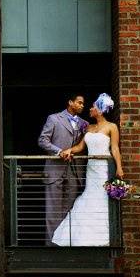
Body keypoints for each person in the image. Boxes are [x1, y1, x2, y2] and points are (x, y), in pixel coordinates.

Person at [51, 93, 124, 246]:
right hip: (92, 169)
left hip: (104, 168)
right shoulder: (89, 127)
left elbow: (115, 148)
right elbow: (80, 147)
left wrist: (119, 168)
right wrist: (69, 150)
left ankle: (104, 237)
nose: (90, 109)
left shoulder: (112, 127)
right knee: (90, 195)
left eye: (93, 107)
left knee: (103, 199)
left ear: (101, 110)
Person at [38, 93, 89, 245]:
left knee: (69, 212)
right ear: (70, 102)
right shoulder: (53, 118)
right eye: (79, 102)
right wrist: (59, 151)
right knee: (53, 211)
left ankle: (66, 245)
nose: (82, 105)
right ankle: (52, 248)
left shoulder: (84, 124)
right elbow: (42, 140)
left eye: (83, 104)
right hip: (54, 170)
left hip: (74, 172)